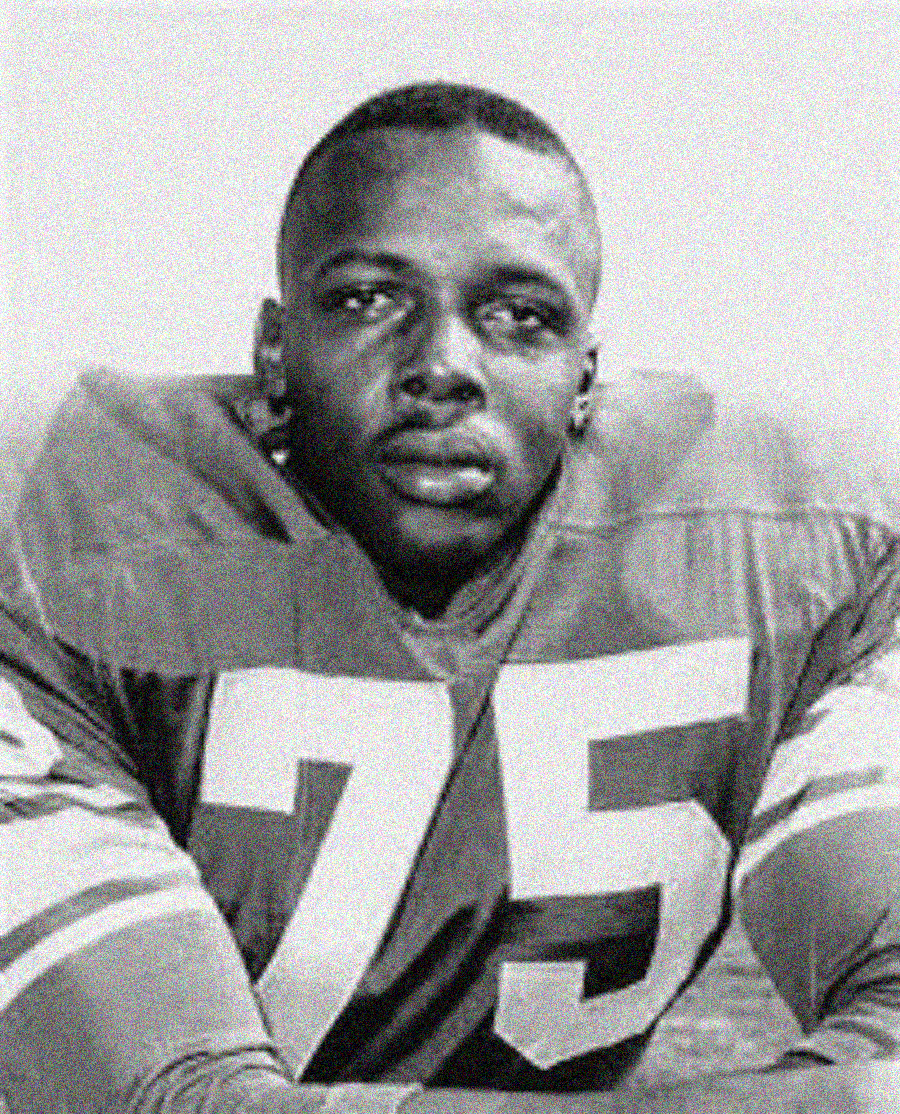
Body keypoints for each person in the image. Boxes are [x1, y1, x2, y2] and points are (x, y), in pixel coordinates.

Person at [0, 81, 899, 1114]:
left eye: (519, 316)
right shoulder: (61, 541)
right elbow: (175, 1103)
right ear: (273, 352)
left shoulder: (796, 545)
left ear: (584, 379)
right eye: (369, 299)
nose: (442, 366)